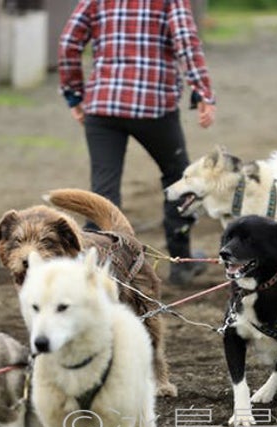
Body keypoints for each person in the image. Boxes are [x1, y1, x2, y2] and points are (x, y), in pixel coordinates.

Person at [58, 0, 216, 286]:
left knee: (103, 190)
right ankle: (181, 261)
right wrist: (202, 90)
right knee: (177, 177)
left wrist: (74, 93)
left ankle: (91, 269)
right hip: (153, 107)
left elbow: (69, 41)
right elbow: (186, 42)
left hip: (103, 106)